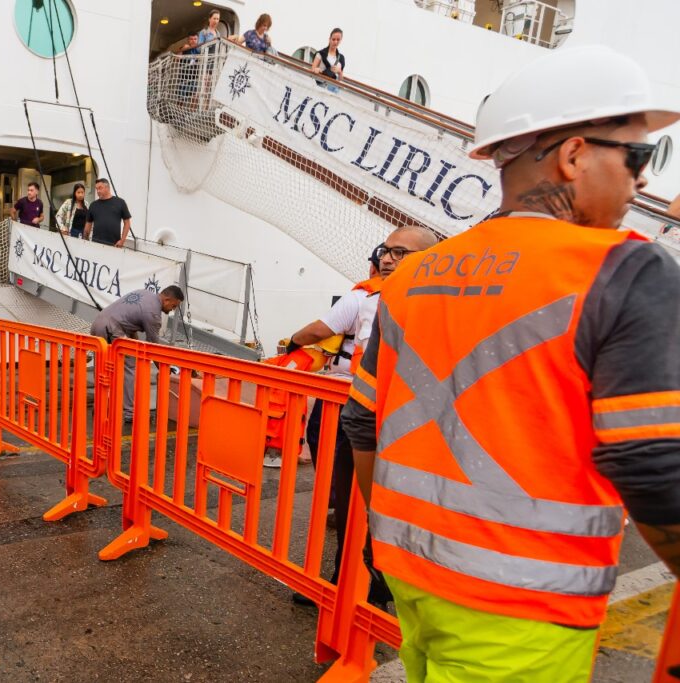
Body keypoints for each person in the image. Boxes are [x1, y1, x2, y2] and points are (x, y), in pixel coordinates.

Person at [342, 45, 680, 682]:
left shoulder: (412, 276)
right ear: (574, 154)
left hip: (410, 577)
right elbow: (655, 466)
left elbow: (363, 424)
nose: (644, 181)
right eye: (637, 156)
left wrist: (388, 548)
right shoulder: (626, 271)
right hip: (525, 609)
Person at [286, 227, 437, 606]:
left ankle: (382, 582)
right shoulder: (367, 296)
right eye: (386, 251)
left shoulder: (445, 305)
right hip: (358, 416)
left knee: (390, 506)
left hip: (408, 425)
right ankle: (349, 581)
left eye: (400, 253)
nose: (387, 259)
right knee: (352, 500)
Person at [90, 286, 184, 422]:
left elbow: (129, 322)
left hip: (98, 323)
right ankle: (130, 413)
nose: (173, 310)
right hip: (111, 328)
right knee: (130, 366)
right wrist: (165, 369)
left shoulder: (144, 293)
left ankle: (99, 406)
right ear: (167, 299)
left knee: (101, 367)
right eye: (174, 306)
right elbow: (153, 347)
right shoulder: (153, 314)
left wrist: (135, 345)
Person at [84, 178, 132, 247]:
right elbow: (88, 225)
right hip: (95, 246)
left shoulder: (120, 202)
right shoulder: (93, 205)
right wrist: (85, 242)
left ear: (107, 188)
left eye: (100, 188)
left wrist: (122, 241)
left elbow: (127, 223)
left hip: (114, 246)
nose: (98, 191)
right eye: (96, 189)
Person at [311, 28, 345, 93]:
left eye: (338, 40)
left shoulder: (341, 58)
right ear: (329, 39)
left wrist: (339, 71)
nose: (335, 42)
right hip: (321, 86)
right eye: (333, 39)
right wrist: (317, 70)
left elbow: (341, 79)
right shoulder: (320, 53)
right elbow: (312, 70)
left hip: (334, 89)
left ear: (341, 40)